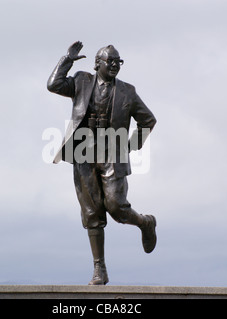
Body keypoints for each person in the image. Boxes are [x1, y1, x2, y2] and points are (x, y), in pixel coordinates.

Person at [47, 41, 157, 285]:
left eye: (119, 61)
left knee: (117, 207)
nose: (116, 65)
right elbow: (53, 84)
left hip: (112, 152)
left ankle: (145, 223)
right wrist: (66, 60)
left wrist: (130, 145)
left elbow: (148, 120)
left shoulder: (128, 91)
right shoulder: (81, 81)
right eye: (111, 61)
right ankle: (100, 270)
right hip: (83, 152)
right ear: (98, 64)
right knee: (91, 212)